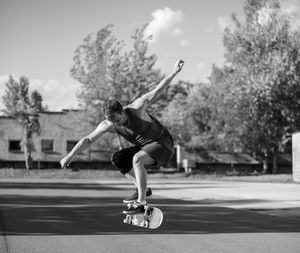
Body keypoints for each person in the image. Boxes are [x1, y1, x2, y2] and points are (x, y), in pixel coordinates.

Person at [60, 59, 184, 214]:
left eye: (117, 119)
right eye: (112, 121)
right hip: (145, 147)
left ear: (122, 111)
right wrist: (71, 155)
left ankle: (141, 202)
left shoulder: (137, 108)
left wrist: (174, 72)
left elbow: (158, 90)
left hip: (163, 143)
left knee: (137, 159)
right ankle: (143, 189)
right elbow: (88, 139)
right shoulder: (109, 124)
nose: (116, 124)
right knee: (118, 158)